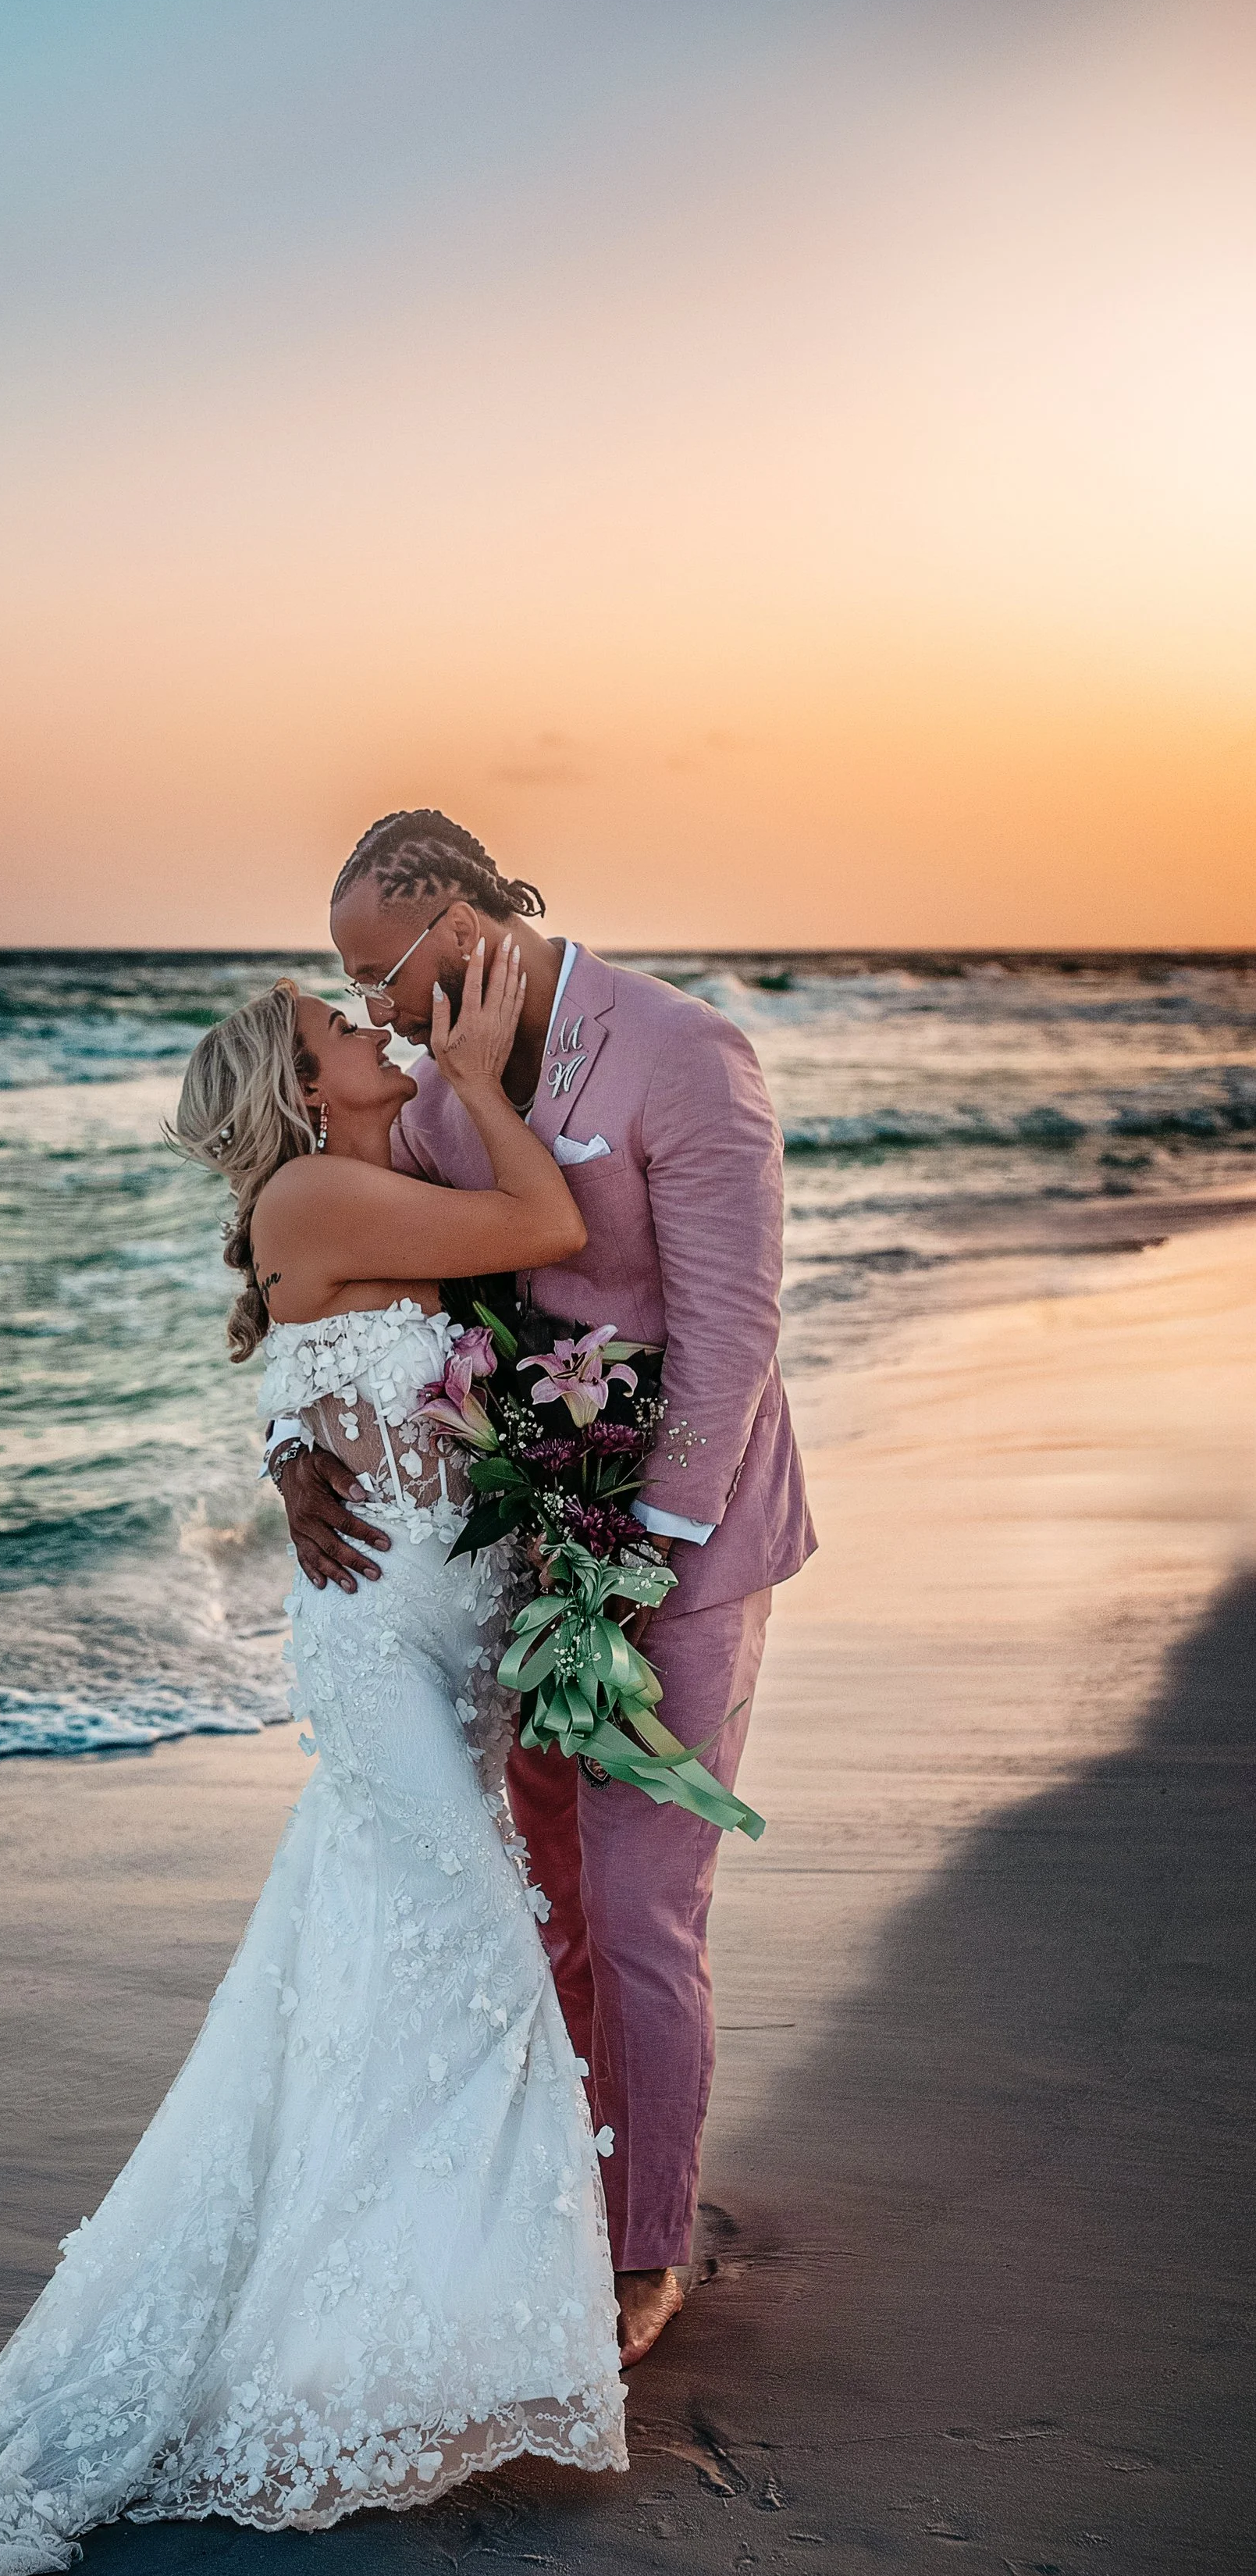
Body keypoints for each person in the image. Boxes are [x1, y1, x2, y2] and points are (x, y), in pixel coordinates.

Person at [0, 938, 627, 2576]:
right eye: (345, 1026)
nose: (374, 1029)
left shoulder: (355, 1188)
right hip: (372, 1655)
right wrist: (479, 1074)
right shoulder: (318, 1198)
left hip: (437, 1635)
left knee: (367, 1981)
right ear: (295, 1086)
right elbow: (543, 1233)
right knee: (472, 1959)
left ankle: (401, 2338)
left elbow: (375, 1355)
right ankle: (394, 2357)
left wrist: (300, 1447)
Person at [270, 811, 816, 2366]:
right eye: (348, 984)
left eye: (380, 966)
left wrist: (643, 1547)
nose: (368, 1004)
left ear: (459, 914)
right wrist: (301, 1444)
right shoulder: (434, 1081)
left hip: (682, 1553)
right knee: (554, 1898)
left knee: (644, 1910)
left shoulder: (677, 1050)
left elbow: (730, 1325)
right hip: (508, 1545)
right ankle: (571, 2194)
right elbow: (366, 1285)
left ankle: (647, 2253)